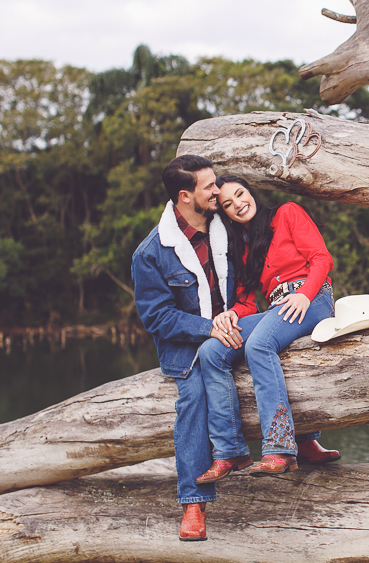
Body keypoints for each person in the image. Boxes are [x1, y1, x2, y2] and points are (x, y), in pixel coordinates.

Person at [194, 174, 340, 483]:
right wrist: (229, 316)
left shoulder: (287, 213)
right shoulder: (245, 247)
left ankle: (281, 449)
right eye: (228, 204)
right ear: (225, 214)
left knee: (258, 345)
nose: (238, 204)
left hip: (313, 299)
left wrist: (304, 293)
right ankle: (230, 451)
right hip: (278, 308)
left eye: (240, 194)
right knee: (211, 350)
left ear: (251, 192)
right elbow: (247, 303)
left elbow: (321, 258)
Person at [132, 155, 243, 542]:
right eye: (209, 186)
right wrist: (209, 328)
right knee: (193, 397)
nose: (218, 190)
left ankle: (301, 442)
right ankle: (194, 502)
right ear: (184, 196)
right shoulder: (150, 253)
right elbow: (158, 319)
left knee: (283, 356)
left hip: (238, 323)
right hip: (187, 348)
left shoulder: (227, 224)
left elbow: (254, 268)